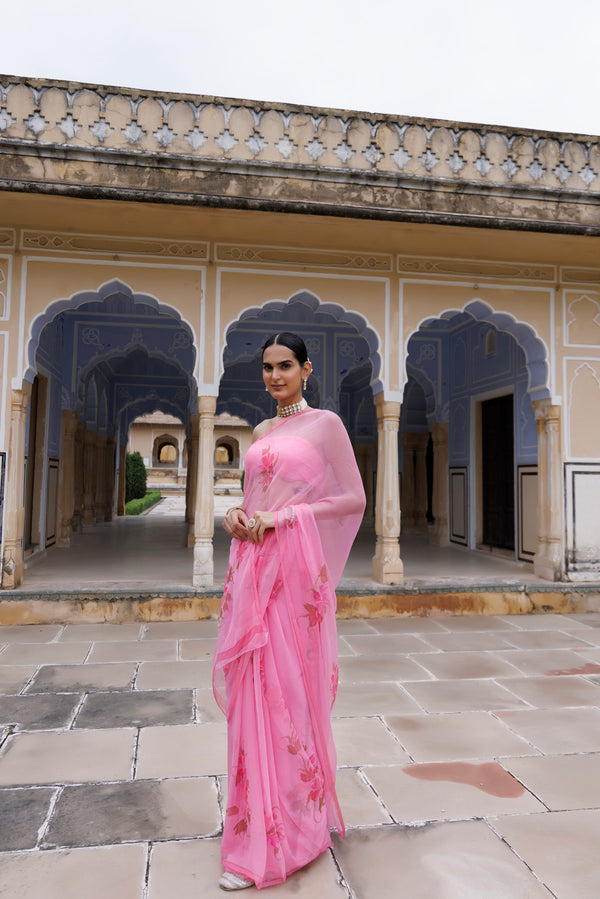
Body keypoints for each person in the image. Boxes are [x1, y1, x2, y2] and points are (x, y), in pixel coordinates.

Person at [213, 331, 366, 891]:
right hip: (254, 572)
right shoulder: (259, 431)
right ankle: (258, 821)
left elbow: (353, 499)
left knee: (289, 697)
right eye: (267, 368)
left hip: (294, 576)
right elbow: (255, 499)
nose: (275, 376)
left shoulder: (326, 425)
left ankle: (297, 831)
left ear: (305, 369)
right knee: (254, 695)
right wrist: (238, 515)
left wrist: (284, 520)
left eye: (285, 366)